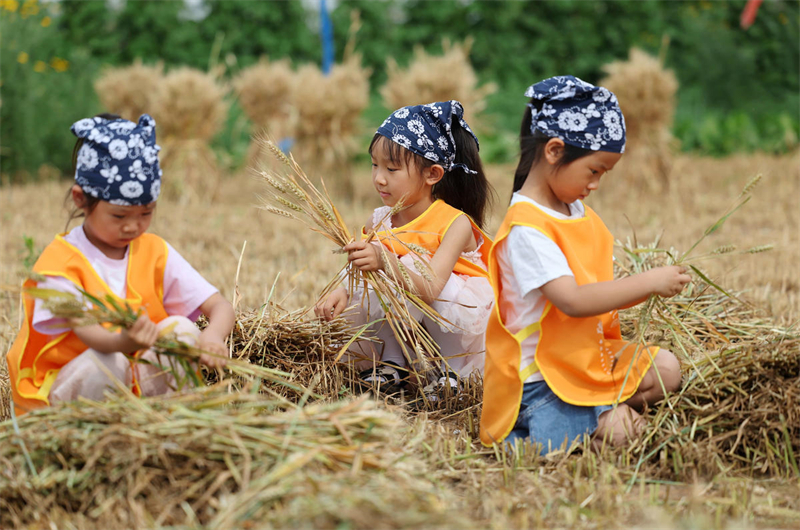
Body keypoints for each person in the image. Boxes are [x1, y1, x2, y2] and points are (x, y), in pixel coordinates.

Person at [480, 76, 689, 453]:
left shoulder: (573, 211)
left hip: (585, 357)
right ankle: (572, 427)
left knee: (668, 370)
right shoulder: (527, 229)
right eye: (594, 170)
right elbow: (573, 300)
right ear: (555, 151)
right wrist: (648, 283)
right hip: (543, 379)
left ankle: (601, 414)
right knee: (630, 434)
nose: (596, 184)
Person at [7, 114, 235, 416]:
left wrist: (213, 336)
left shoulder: (153, 251)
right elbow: (90, 334)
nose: (133, 227)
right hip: (70, 397)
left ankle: (167, 429)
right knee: (108, 361)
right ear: (80, 199)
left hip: (139, 391)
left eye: (145, 213)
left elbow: (219, 306)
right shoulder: (59, 264)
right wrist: (124, 341)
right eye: (119, 216)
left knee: (181, 330)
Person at [315, 100, 494, 400]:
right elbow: (359, 265)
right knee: (376, 277)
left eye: (392, 168)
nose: (378, 178)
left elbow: (432, 288)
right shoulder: (379, 219)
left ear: (433, 174)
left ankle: (445, 371)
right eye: (374, 165)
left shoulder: (455, 222)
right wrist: (342, 290)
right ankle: (391, 365)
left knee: (406, 263)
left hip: (455, 325)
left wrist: (385, 259)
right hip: (410, 327)